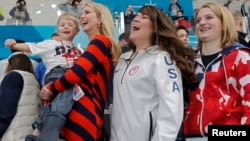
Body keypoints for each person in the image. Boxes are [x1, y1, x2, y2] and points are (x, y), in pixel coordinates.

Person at [110, 5, 197, 141]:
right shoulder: (122, 59)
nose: (135, 19)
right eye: (136, 16)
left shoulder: (162, 58)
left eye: (144, 17)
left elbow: (171, 110)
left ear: (156, 27)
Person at [39, 2, 121, 141]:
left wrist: (52, 88)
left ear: (100, 19)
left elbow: (74, 75)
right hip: (86, 111)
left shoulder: (100, 42)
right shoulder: (98, 44)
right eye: (82, 13)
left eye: (87, 12)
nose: (82, 16)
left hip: (85, 112)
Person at [5, 13, 82, 141]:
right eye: (62, 25)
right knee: (65, 92)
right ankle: (51, 132)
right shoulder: (51, 44)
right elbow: (31, 47)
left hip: (72, 76)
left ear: (77, 31)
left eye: (70, 25)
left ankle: (35, 134)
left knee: (52, 104)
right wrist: (14, 45)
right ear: (57, 30)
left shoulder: (78, 51)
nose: (66, 27)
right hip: (58, 73)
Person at [183, 3, 250, 141]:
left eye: (209, 17)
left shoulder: (240, 56)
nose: (202, 22)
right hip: (191, 135)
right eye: (199, 20)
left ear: (224, 24)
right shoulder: (190, 62)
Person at [0, 53, 43, 141]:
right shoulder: (34, 80)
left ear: (10, 64)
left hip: (13, 134)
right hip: (28, 134)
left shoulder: (13, 76)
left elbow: (6, 111)